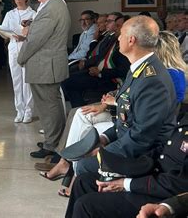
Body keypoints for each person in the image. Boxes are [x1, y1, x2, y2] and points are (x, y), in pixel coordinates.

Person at [75, 16, 178, 175]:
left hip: (146, 156)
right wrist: (104, 139)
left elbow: (142, 137)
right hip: (131, 143)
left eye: (121, 34)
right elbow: (126, 119)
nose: (118, 37)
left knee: (84, 166)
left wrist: (105, 153)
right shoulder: (139, 67)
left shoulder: (152, 80)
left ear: (131, 40)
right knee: (82, 159)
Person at [65, 112, 188, 218]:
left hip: (165, 195)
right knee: (83, 182)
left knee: (87, 205)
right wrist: (125, 170)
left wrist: (126, 183)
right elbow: (162, 150)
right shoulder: (184, 116)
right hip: (153, 178)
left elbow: (180, 183)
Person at [17, 0, 71, 159]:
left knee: (49, 107)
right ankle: (52, 140)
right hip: (47, 64)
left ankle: (54, 145)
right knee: (50, 105)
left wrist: (20, 58)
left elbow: (34, 40)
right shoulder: (53, 4)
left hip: (45, 65)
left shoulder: (51, 8)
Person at [62, 13, 130, 108]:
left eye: (117, 26)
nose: (114, 28)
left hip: (110, 79)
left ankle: (81, 111)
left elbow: (123, 70)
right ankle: (79, 110)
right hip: (98, 70)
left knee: (69, 82)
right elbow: (99, 56)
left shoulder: (125, 45)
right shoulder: (113, 38)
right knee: (67, 79)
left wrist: (100, 72)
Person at [0, 0, 36, 123]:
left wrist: (25, 37)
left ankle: (29, 111)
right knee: (16, 81)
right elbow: (5, 33)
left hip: (27, 47)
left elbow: (37, 34)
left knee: (27, 81)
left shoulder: (33, 14)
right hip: (13, 47)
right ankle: (20, 110)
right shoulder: (10, 14)